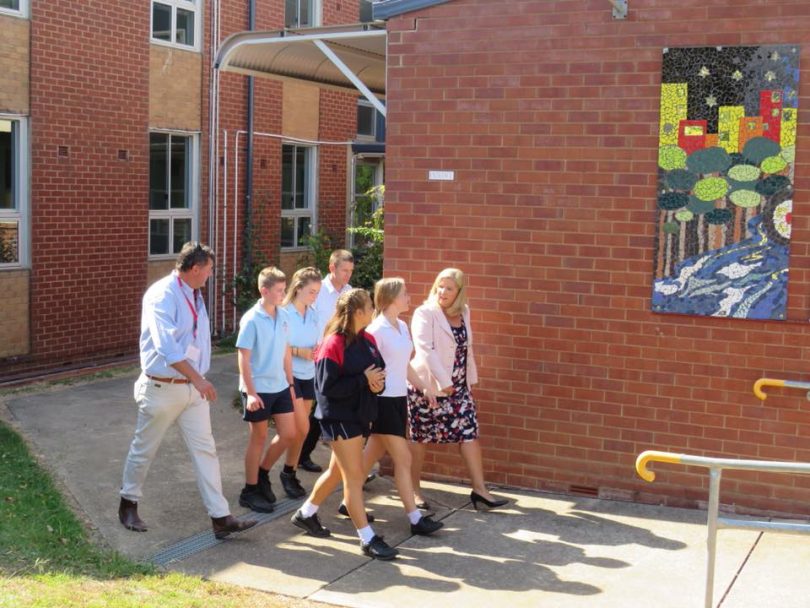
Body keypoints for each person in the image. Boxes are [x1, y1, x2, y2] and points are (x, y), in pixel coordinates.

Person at [119, 242, 256, 539]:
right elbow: (167, 347)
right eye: (208, 270)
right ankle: (128, 503)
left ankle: (221, 517)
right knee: (145, 449)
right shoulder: (162, 295)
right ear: (194, 269)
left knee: (205, 450)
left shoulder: (193, 293)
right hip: (163, 388)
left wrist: (198, 380)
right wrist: (199, 379)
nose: (210, 275)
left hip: (193, 389)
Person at [290, 289, 398, 560]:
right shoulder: (333, 343)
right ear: (358, 312)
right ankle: (367, 538)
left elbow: (378, 369)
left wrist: (376, 382)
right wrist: (364, 380)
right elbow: (326, 388)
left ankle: (306, 513)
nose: (373, 308)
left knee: (338, 472)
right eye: (369, 305)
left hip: (359, 415)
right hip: (339, 419)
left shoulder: (367, 338)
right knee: (354, 477)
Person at [408, 268, 508, 511]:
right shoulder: (425, 313)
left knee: (469, 434)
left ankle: (480, 491)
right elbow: (424, 349)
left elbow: (466, 348)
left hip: (459, 388)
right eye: (440, 286)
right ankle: (414, 491)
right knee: (419, 438)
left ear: (459, 292)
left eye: (449, 288)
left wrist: (468, 378)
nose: (443, 292)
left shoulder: (464, 311)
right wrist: (444, 382)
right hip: (429, 388)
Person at [365, 277, 444, 535]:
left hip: (400, 399)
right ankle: (414, 518)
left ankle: (344, 500)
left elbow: (405, 364)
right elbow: (369, 368)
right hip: (383, 401)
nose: (409, 297)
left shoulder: (401, 325)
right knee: (404, 457)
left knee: (369, 456)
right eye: (404, 294)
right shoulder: (376, 330)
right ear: (389, 299)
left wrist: (424, 387)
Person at [236, 267, 305, 513]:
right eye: (279, 290)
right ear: (264, 291)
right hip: (258, 388)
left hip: (280, 386)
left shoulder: (283, 315)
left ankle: (263, 473)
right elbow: (244, 358)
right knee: (259, 436)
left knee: (289, 433)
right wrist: (251, 393)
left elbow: (286, 351)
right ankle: (250, 490)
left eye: (284, 289)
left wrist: (290, 383)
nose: (283, 294)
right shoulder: (252, 319)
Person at [298, 249, 355, 473]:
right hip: (315, 359)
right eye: (344, 270)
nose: (347, 275)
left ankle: (342, 460)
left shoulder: (350, 292)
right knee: (317, 409)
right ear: (332, 268)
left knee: (327, 409)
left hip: (339, 358)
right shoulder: (318, 292)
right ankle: (302, 456)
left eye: (351, 271)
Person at [280, 267, 322, 490]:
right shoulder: (284, 313)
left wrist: (316, 350)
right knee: (302, 428)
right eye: (311, 292)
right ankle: (283, 471)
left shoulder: (313, 313)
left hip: (309, 374)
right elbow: (279, 345)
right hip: (290, 375)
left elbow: (318, 341)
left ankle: (290, 471)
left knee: (300, 430)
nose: (314, 297)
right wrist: (299, 352)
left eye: (317, 292)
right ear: (297, 289)